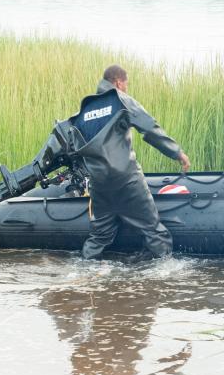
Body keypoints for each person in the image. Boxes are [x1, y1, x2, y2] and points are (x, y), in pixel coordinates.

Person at [68, 64, 190, 261]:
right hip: (126, 180)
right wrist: (177, 153)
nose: (126, 88)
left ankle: (86, 268)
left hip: (99, 185)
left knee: (100, 236)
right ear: (118, 82)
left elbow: (72, 147)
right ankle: (164, 277)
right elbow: (149, 128)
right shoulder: (120, 100)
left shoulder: (84, 110)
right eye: (126, 84)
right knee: (154, 231)